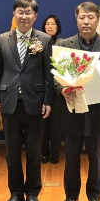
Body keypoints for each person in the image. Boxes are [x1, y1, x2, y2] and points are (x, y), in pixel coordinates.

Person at [0, 0, 54, 201]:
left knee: (34, 152)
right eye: (20, 12)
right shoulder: (2, 39)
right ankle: (16, 194)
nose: (24, 16)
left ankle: (33, 194)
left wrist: (47, 101)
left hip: (35, 103)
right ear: (14, 14)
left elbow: (48, 74)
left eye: (28, 13)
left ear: (35, 16)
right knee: (12, 153)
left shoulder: (44, 39)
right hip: (9, 103)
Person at [56, 2, 100, 201]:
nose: (86, 21)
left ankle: (94, 197)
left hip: (98, 111)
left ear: (98, 20)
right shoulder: (65, 44)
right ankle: (71, 196)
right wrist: (62, 90)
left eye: (91, 17)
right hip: (72, 109)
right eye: (82, 17)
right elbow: (56, 77)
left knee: (96, 158)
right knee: (71, 157)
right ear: (76, 20)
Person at [40, 15, 63, 164]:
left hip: (57, 89)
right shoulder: (37, 42)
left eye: (53, 24)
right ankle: (43, 152)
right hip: (41, 88)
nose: (50, 26)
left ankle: (55, 153)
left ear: (57, 27)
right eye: (47, 23)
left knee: (56, 124)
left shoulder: (62, 43)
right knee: (42, 123)